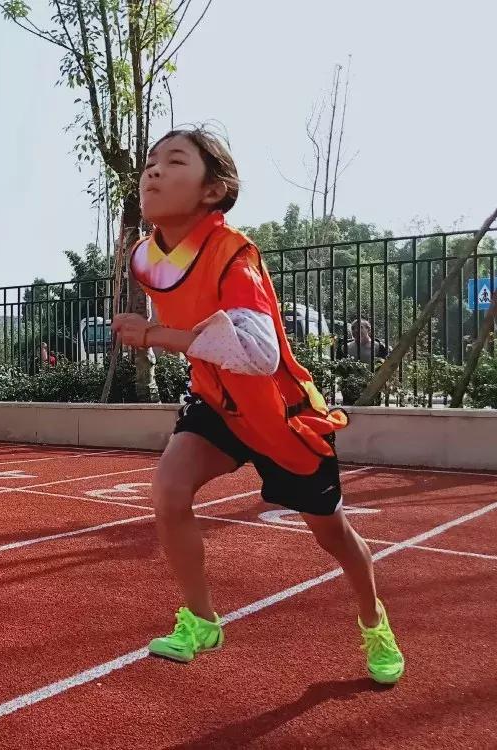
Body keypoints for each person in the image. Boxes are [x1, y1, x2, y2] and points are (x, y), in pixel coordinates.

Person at [111, 127, 404, 685]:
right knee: (169, 491)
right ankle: (201, 621)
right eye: (150, 162)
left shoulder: (234, 255)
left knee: (333, 535)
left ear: (213, 191)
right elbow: (193, 315)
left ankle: (374, 621)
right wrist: (170, 336)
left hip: (280, 417)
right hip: (216, 403)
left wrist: (155, 335)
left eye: (173, 162)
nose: (152, 171)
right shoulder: (146, 258)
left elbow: (258, 352)